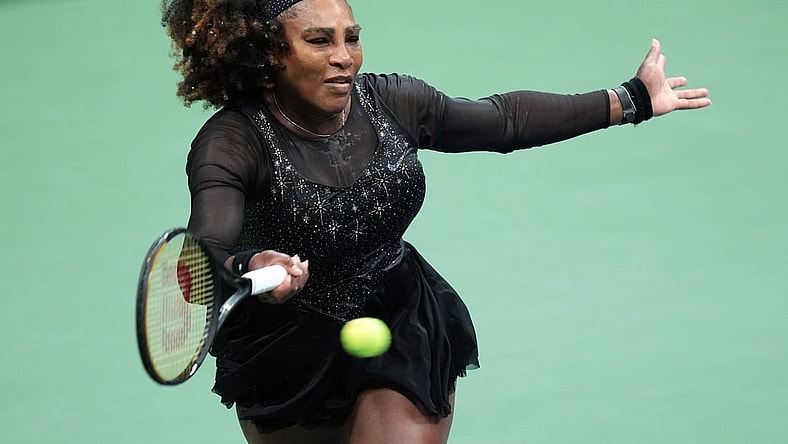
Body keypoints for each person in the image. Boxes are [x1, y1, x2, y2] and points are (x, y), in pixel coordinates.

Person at [160, 0, 711, 442]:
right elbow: (204, 254)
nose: (345, 57)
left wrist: (632, 98)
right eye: (319, 40)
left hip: (399, 320)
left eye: (351, 37)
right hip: (284, 352)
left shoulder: (393, 102)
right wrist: (252, 264)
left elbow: (503, 121)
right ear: (270, 53)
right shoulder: (231, 143)